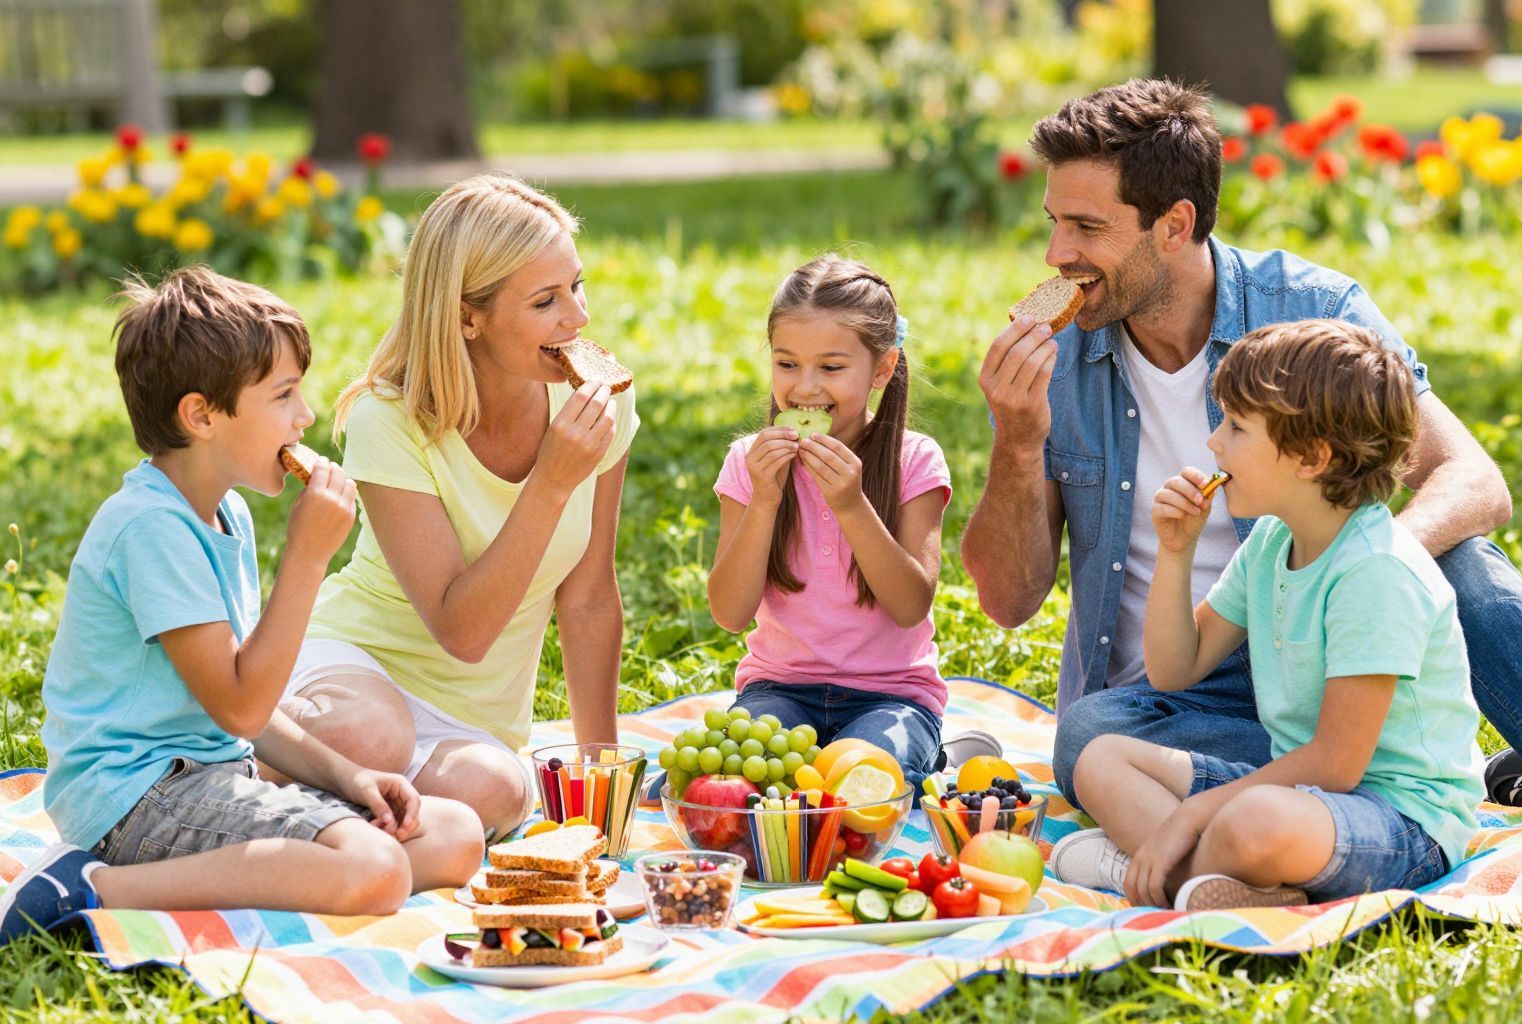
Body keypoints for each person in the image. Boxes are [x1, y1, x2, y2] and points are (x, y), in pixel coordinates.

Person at [959, 78, 1522, 807]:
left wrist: (1347, 586)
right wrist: (1016, 442)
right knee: (1087, 736)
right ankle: (1364, 772)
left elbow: (1474, 480)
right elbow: (1008, 603)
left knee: (1466, 568)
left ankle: (1333, 772)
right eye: (1054, 221)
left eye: (1086, 227)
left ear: (1175, 225)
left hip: (1334, 648)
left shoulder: (1311, 313)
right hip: (1180, 690)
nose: (1055, 253)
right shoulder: (1053, 364)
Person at [1, 268, 484, 946]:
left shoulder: (225, 512)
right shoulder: (150, 529)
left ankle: (271, 877)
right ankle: (88, 887)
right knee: (377, 871)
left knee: (455, 833)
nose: (305, 416)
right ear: (201, 416)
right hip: (134, 799)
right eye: (283, 395)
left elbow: (247, 714)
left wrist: (353, 778)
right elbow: (241, 709)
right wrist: (307, 560)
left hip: (212, 775)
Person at [1051, 321, 1482, 910]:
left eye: (1235, 426)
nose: (1214, 443)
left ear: (1311, 457)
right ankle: (1220, 884)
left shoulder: (1376, 570)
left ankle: (1148, 866)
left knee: (1255, 817)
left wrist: (1196, 812)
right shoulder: (1273, 542)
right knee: (1102, 757)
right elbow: (1175, 670)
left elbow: (1337, 763)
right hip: (1298, 787)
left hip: (1400, 820)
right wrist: (1175, 551)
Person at [274, 175, 639, 843]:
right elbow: (462, 632)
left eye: (576, 286)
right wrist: (551, 483)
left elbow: (588, 597)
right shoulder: (389, 418)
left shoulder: (597, 402)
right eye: (545, 301)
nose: (578, 318)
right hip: (358, 668)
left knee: (496, 794)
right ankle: (248, 763)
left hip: (471, 720)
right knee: (369, 737)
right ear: (468, 317)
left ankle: (339, 827)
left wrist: (601, 770)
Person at [705, 254, 962, 793]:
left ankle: (930, 755)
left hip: (892, 697)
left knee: (860, 785)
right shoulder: (749, 463)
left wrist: (851, 505)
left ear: (882, 369)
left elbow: (911, 605)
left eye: (831, 368)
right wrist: (765, 500)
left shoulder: (914, 460)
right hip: (779, 690)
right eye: (787, 364)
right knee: (740, 783)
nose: (804, 388)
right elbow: (729, 613)